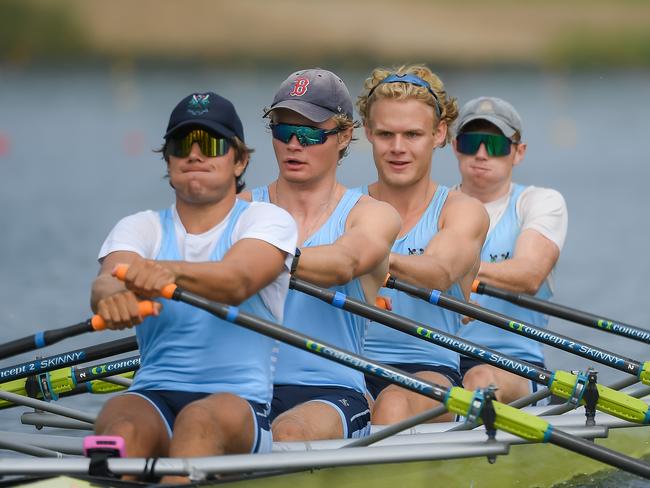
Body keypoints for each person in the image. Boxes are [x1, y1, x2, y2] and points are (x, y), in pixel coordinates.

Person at [91, 91, 297, 483]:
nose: (196, 155)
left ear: (240, 161)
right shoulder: (141, 227)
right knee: (118, 424)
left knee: (197, 422)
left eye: (213, 144)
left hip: (239, 405)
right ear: (167, 160)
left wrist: (164, 272)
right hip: (153, 394)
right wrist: (111, 299)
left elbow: (237, 281)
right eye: (183, 144)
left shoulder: (265, 220)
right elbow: (106, 281)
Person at [239, 68, 401, 441]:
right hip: (244, 388)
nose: (294, 144)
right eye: (283, 131)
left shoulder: (372, 215)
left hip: (331, 394)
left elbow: (344, 262)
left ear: (344, 136)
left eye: (311, 132)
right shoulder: (240, 209)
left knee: (288, 434)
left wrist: (264, 258)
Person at [354, 65, 489, 424]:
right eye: (385, 134)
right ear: (367, 132)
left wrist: (362, 258)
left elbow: (440, 272)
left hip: (431, 373)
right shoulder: (344, 207)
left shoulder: (462, 211)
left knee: (393, 403)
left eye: (412, 134)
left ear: (439, 133)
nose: (398, 148)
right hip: (345, 368)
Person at [453, 96, 568, 403]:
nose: (480, 154)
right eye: (471, 142)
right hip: (438, 359)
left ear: (518, 152)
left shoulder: (538, 203)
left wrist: (446, 269)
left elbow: (529, 274)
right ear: (454, 147)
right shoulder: (433, 206)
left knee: (478, 379)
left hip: (513, 365)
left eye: (495, 145)